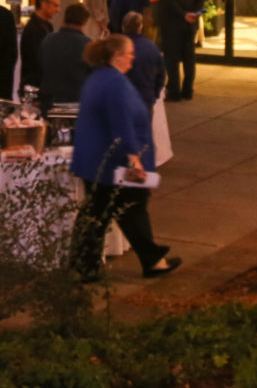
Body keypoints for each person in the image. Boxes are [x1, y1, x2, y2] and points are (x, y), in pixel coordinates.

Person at [69, 34, 182, 281]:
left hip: (97, 161)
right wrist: (135, 159)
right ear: (117, 56)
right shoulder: (115, 84)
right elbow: (122, 124)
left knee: (103, 212)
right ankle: (150, 260)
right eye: (130, 53)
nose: (133, 57)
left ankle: (86, 265)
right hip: (114, 164)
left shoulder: (98, 78)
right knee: (128, 208)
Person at [156, 0, 203, 102]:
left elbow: (169, 0)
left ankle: (174, 90)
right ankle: (188, 90)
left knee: (172, 58)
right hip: (189, 24)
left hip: (172, 24)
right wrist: (193, 14)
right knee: (189, 57)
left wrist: (183, 14)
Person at [40, 2, 95, 108]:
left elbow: (39, 68)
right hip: (75, 102)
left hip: (49, 101)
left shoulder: (48, 40)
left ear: (65, 18)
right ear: (84, 22)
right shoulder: (87, 45)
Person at [117, 11, 167, 109]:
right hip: (146, 97)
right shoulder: (152, 47)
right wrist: (155, 93)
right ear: (140, 26)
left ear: (123, 27)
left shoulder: (117, 48)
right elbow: (161, 74)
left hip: (123, 99)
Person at [20, 0, 61, 95]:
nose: (58, 10)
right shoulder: (34, 29)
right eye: (55, 5)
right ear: (44, 4)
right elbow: (36, 59)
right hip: (35, 85)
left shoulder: (46, 26)